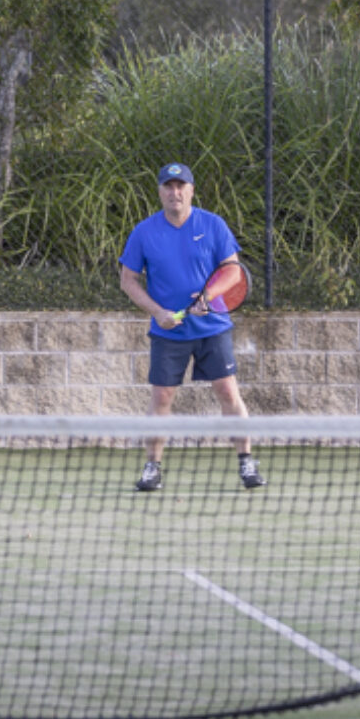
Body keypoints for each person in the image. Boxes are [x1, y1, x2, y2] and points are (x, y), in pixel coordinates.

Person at [118, 161, 263, 492]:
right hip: (168, 332)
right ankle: (152, 468)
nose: (175, 193)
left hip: (213, 327)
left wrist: (207, 296)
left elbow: (233, 271)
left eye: (181, 186)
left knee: (228, 392)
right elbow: (128, 280)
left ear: (191, 190)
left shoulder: (212, 225)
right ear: (160, 192)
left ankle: (247, 462)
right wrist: (158, 312)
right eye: (168, 187)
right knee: (162, 397)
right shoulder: (144, 232)